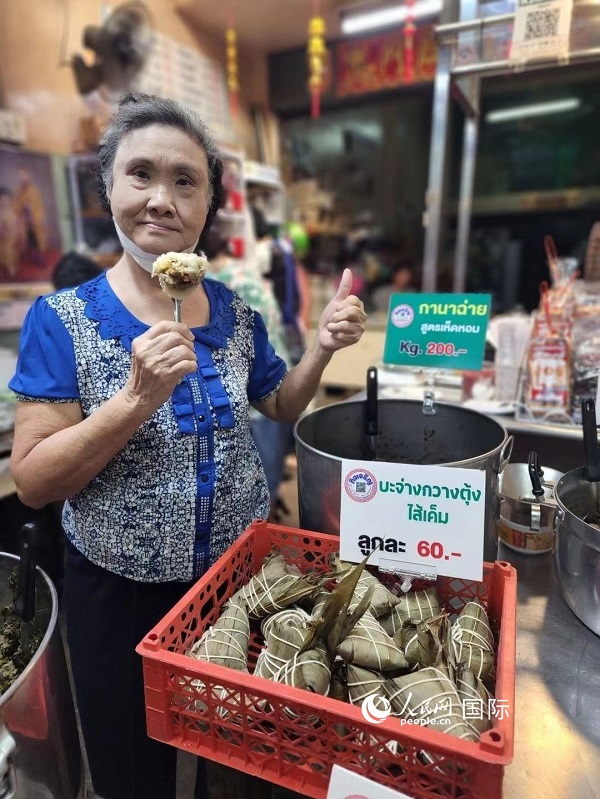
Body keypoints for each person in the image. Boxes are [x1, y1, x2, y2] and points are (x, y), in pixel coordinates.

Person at [8, 93, 367, 799]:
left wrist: (320, 348)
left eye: (186, 181)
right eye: (140, 175)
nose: (162, 200)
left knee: (235, 757)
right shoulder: (64, 319)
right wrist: (135, 398)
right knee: (132, 767)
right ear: (108, 186)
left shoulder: (235, 313)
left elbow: (280, 403)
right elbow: (33, 481)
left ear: (208, 202)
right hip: (118, 594)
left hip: (236, 587)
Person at [203, 228, 292, 521]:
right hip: (274, 373)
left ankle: (259, 533)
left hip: (249, 386)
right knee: (269, 465)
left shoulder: (212, 284)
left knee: (256, 472)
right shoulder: (248, 274)